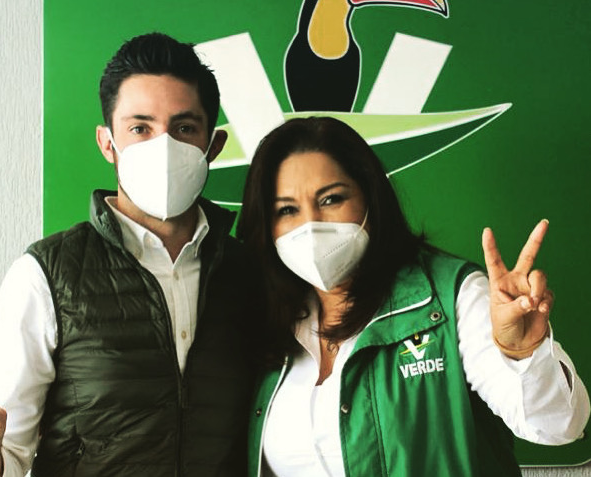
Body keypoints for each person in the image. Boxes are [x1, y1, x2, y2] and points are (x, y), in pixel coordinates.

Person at [0, 32, 258, 477]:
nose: (163, 146)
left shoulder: (250, 276)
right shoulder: (46, 275)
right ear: (107, 143)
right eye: (140, 128)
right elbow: (3, 450)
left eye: (184, 128)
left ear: (213, 146)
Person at [236, 116, 590, 477]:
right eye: (287, 210)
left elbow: (558, 426)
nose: (311, 225)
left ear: (370, 199)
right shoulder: (267, 322)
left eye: (331, 199)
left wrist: (522, 352)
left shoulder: (452, 296)